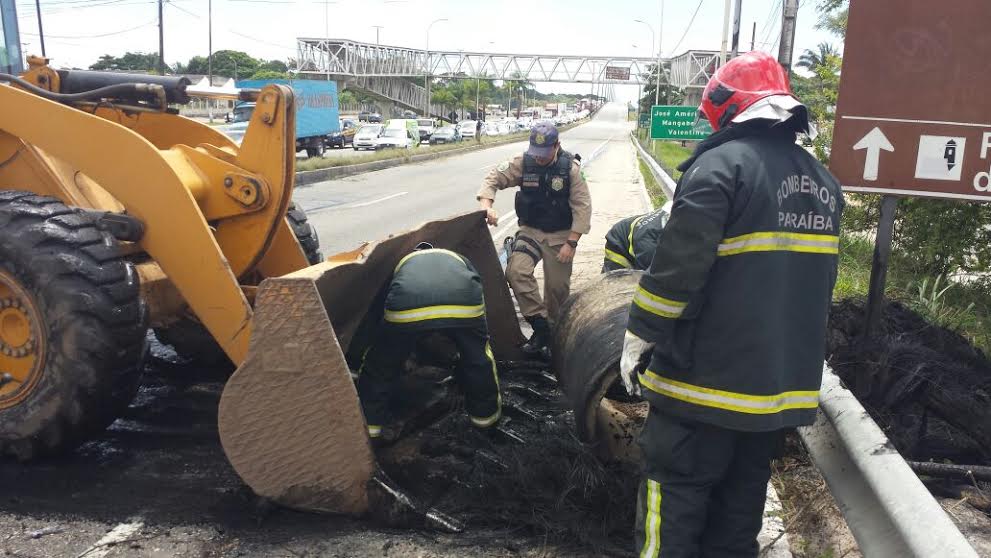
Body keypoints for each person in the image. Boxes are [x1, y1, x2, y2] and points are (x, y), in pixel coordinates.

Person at [619, 51, 844, 557]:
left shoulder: (720, 168)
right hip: (774, 395)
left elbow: (676, 272)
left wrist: (639, 335)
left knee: (671, 506)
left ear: (725, 107)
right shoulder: (824, 185)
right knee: (738, 519)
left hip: (701, 389)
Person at [356, 243, 501, 441]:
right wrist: (474, 338)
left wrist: (357, 360)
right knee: (478, 361)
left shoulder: (403, 264)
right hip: (464, 305)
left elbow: (374, 315)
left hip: (406, 310)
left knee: (380, 365)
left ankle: (370, 432)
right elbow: (476, 286)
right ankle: (486, 422)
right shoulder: (457, 258)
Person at [478, 121, 592, 359]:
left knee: (557, 289)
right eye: (536, 152)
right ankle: (540, 327)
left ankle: (555, 335)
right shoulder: (524, 162)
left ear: (556, 146)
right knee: (516, 272)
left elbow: (582, 207)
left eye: (545, 153)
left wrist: (571, 243)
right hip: (530, 231)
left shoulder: (570, 170)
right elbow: (493, 178)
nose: (539, 158)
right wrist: (486, 206)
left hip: (560, 235)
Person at [602, 202, 671, 272]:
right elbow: (649, 275)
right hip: (619, 243)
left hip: (636, 232)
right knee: (616, 276)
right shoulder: (649, 245)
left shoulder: (673, 213)